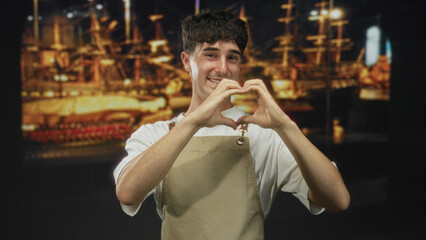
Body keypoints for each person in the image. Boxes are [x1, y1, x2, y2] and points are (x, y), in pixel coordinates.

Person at [114, 9, 350, 239]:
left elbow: (337, 200)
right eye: (211, 54)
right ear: (187, 61)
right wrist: (194, 122)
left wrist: (285, 126)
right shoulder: (156, 134)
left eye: (232, 57)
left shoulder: (263, 135)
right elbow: (127, 193)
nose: (223, 68)